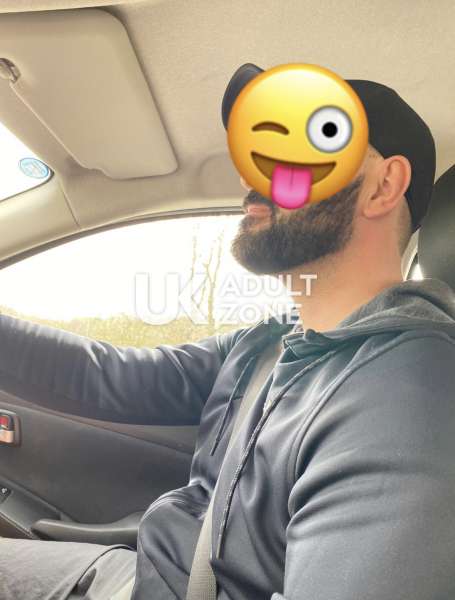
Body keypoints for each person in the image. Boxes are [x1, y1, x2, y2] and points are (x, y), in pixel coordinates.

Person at [2, 76, 455, 600]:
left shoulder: (409, 396)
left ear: (382, 185)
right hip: (135, 572)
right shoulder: (270, 342)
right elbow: (109, 377)